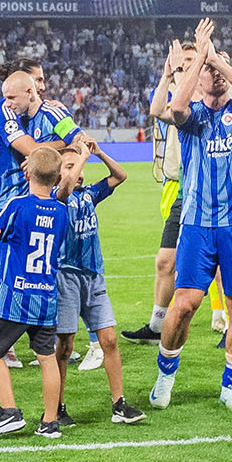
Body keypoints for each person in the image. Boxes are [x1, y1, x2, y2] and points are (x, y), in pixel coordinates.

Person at [148, 19, 232, 413]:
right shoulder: (193, 115)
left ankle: (231, 386)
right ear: (198, 78)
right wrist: (199, 59)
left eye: (219, 71)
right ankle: (165, 377)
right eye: (208, 72)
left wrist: (217, 58)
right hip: (198, 224)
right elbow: (174, 106)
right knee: (185, 304)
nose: (214, 76)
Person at [0, 70, 80, 361]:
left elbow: (76, 137)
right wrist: (61, 146)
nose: (7, 101)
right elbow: (35, 150)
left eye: (12, 96)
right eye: (38, 79)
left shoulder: (46, 113)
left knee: (42, 266)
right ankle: (3, 342)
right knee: (5, 269)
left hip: (33, 200)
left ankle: (43, 341)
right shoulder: (2, 110)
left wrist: (61, 143)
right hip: (11, 200)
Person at [0, 146, 73, 437]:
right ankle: (50, 421)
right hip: (46, 295)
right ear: (57, 179)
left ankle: (9, 412)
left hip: (15, 295)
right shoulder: (62, 212)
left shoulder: (19, 205)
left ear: (27, 172)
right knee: (47, 357)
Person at [52, 136, 143, 425]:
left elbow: (121, 175)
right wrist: (81, 157)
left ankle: (119, 404)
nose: (77, 172)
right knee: (64, 346)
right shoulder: (57, 196)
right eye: (68, 166)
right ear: (58, 172)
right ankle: (57, 406)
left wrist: (99, 152)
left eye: (77, 167)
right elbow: (64, 188)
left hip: (94, 276)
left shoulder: (90, 195)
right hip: (65, 278)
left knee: (110, 340)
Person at [124, 42, 196, 345]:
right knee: (165, 261)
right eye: (182, 60)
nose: (185, 64)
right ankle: (156, 325)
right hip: (183, 192)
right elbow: (156, 110)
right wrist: (168, 74)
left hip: (213, 194)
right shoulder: (180, 96)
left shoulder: (211, 99)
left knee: (220, 269)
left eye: (190, 60)